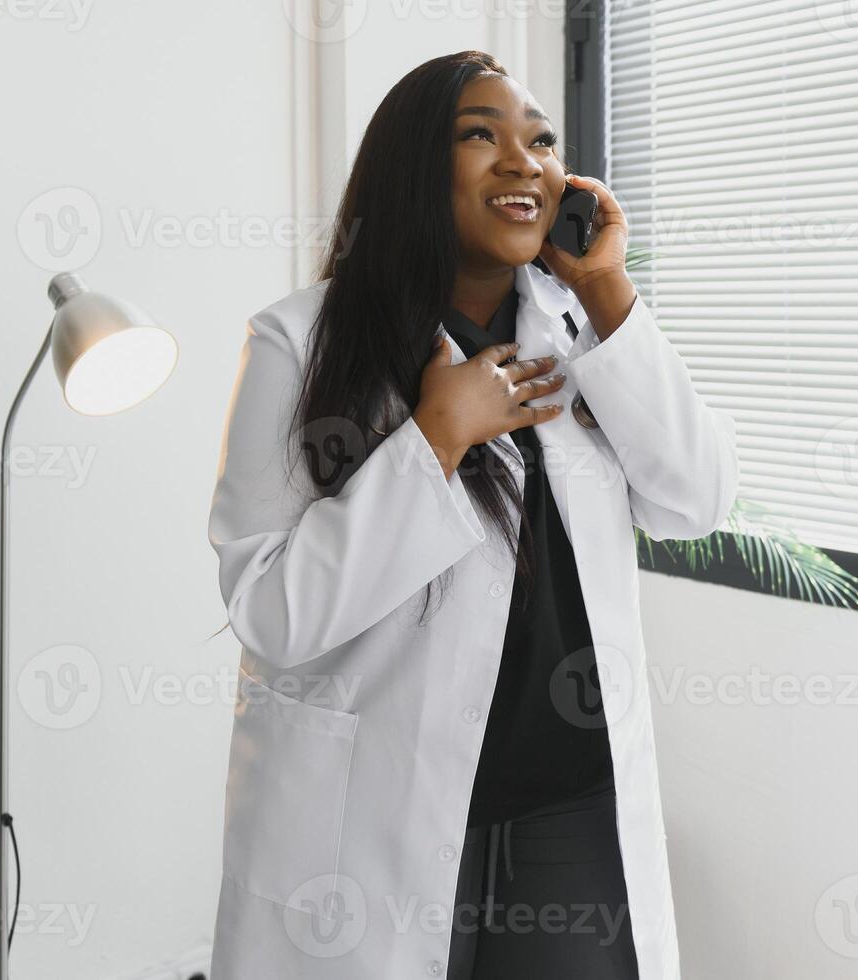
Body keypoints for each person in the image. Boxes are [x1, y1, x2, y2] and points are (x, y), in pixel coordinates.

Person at [205, 50, 739, 979]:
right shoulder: (299, 346)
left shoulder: (579, 334)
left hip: (566, 814)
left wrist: (610, 291)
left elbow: (695, 499)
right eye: (480, 136)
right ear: (415, 168)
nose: (523, 160)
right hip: (373, 811)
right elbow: (273, 612)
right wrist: (436, 439)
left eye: (540, 141)